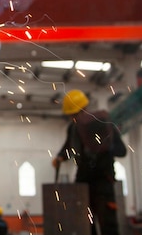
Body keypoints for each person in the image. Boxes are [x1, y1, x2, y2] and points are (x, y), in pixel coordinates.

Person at [52, 89, 127, 235]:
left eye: (74, 115)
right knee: (90, 224)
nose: (75, 119)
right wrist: (60, 157)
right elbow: (69, 148)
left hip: (95, 181)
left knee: (96, 224)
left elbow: (121, 150)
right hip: (93, 181)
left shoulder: (97, 125)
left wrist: (106, 147)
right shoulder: (78, 128)